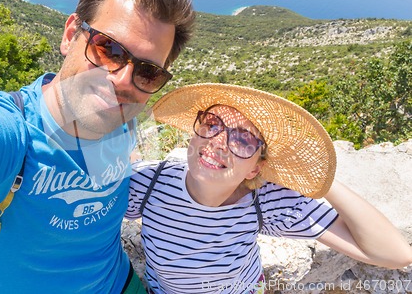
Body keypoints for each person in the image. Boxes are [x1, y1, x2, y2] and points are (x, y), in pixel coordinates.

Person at [0, 0, 195, 293]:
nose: (121, 81)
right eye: (109, 49)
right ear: (71, 34)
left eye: (148, 72)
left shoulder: (123, 120)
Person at [126, 83, 412, 294]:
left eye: (242, 141)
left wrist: (320, 180)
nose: (218, 142)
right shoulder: (150, 183)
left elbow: (394, 254)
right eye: (212, 124)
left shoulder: (266, 202)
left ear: (255, 169)